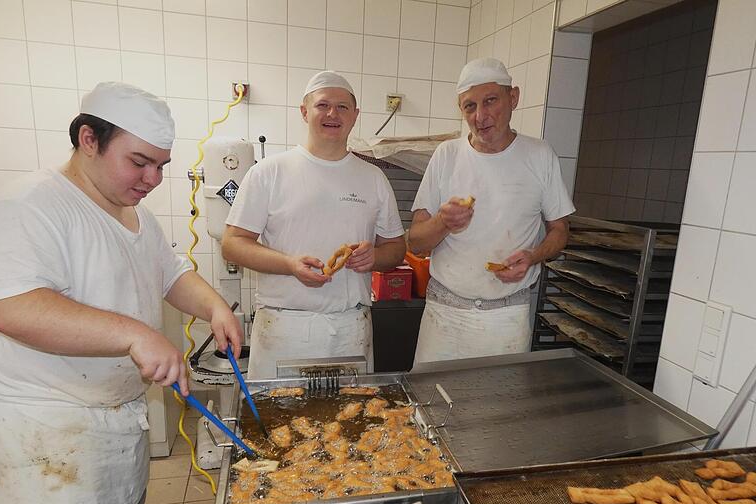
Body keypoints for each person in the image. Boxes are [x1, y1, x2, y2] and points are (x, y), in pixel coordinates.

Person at [0, 82, 242, 504]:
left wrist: (214, 306)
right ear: (89, 139)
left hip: (114, 420)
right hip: (47, 427)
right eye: (140, 161)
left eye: (161, 165)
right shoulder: (29, 205)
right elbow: (9, 306)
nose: (153, 179)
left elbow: (170, 274)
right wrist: (135, 334)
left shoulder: (130, 211)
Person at [222, 71, 406, 379]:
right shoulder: (269, 173)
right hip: (284, 328)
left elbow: (396, 249)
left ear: (355, 115)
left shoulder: (373, 178)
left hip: (351, 328)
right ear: (305, 111)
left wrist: (375, 257)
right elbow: (232, 243)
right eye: (323, 105)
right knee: (276, 422)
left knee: (350, 422)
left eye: (343, 107)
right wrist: (289, 265)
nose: (333, 114)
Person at [408, 57, 574, 364]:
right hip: (444, 314)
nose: (480, 116)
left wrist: (533, 256)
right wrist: (443, 223)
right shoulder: (447, 155)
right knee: (430, 403)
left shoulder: (539, 155)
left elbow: (560, 229)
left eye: (490, 101)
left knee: (497, 409)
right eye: (469, 106)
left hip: (506, 317)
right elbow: (415, 243)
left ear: (513, 98)